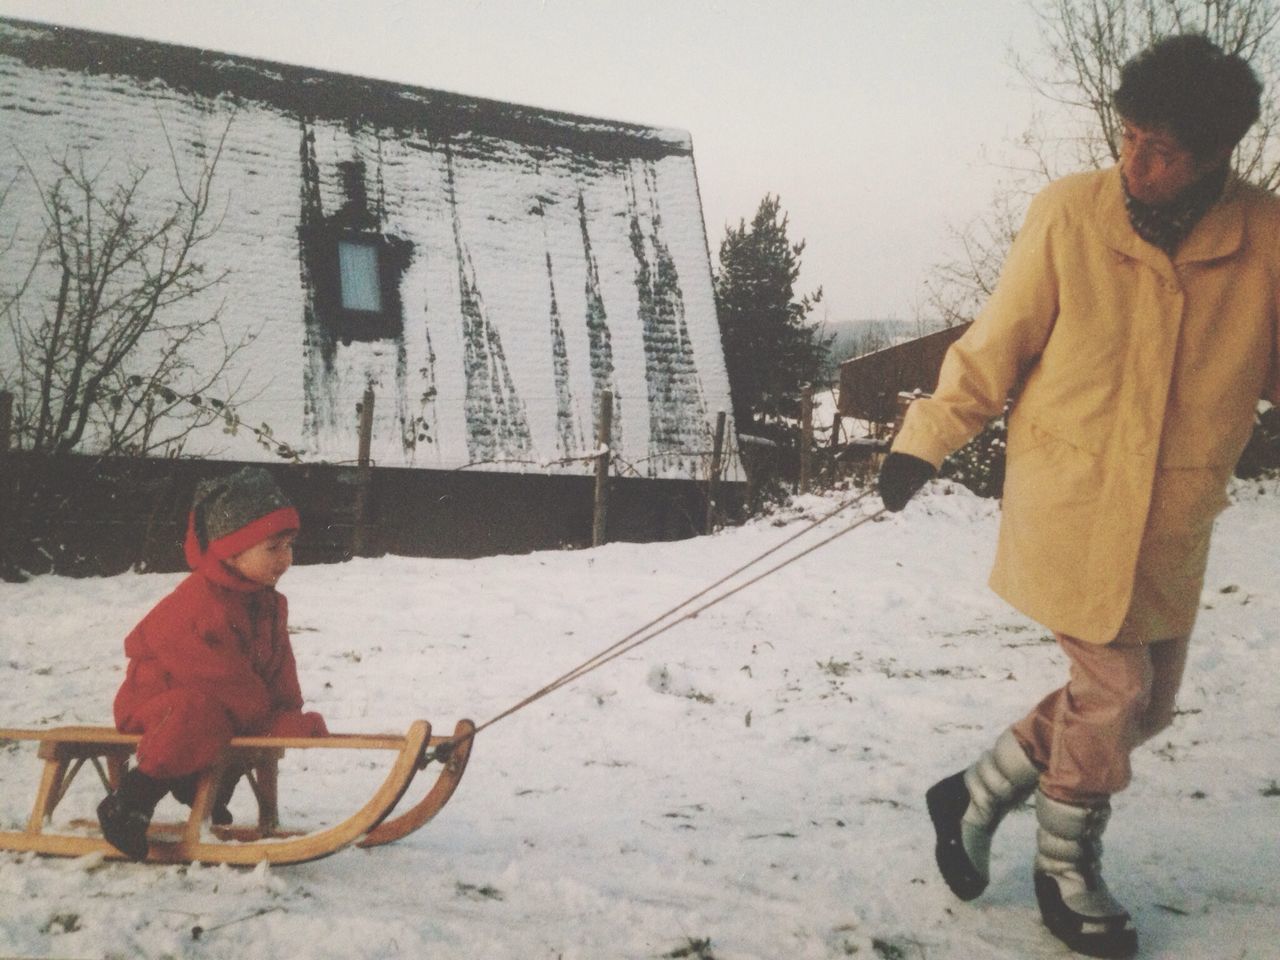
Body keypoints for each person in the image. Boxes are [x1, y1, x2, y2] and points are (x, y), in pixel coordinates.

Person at [877, 34, 1277, 960]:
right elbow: (995, 344)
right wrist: (925, 442)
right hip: (1073, 499)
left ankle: (975, 791)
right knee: (1115, 689)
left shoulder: (1266, 239)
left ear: (1219, 153)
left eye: (1162, 149)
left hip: (1172, 515)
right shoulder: (1067, 215)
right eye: (1128, 135)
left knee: (1144, 703)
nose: (1133, 162)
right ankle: (1067, 868)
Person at [97, 466, 328, 860]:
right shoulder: (199, 601)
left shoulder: (268, 603)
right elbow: (215, 674)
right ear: (231, 551)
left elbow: (277, 665)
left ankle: (202, 786)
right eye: (273, 548)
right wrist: (264, 716)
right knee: (203, 712)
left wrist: (287, 712)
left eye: (289, 546)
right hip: (160, 704)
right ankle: (130, 802)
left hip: (223, 706)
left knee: (233, 720)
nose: (286, 559)